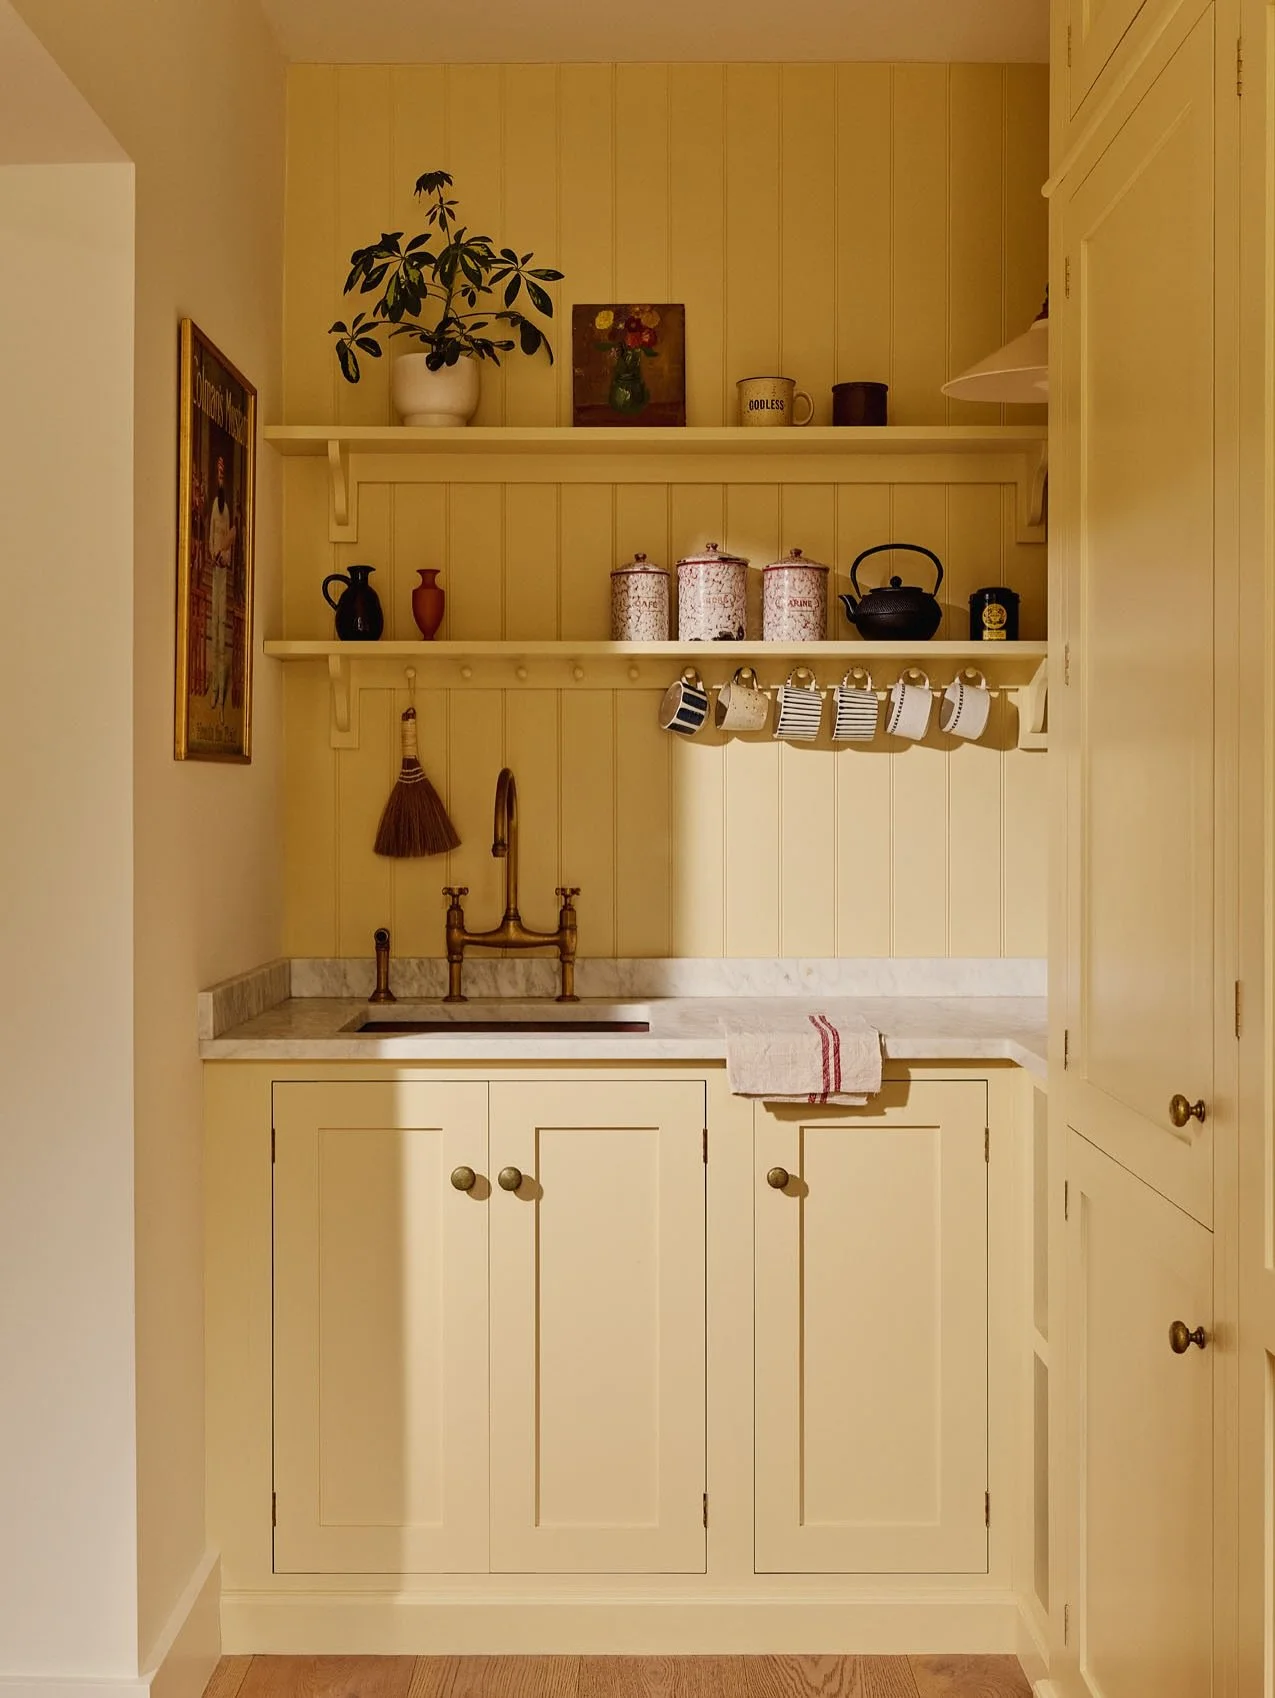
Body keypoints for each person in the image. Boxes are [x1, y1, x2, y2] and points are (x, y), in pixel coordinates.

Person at [205, 453, 236, 713]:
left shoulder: (228, 512)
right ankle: (213, 688)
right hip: (214, 566)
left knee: (221, 623)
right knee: (213, 623)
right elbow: (211, 534)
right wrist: (212, 552)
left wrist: (223, 556)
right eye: (219, 474)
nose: (221, 478)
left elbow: (229, 538)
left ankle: (221, 689)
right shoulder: (215, 506)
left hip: (222, 569)